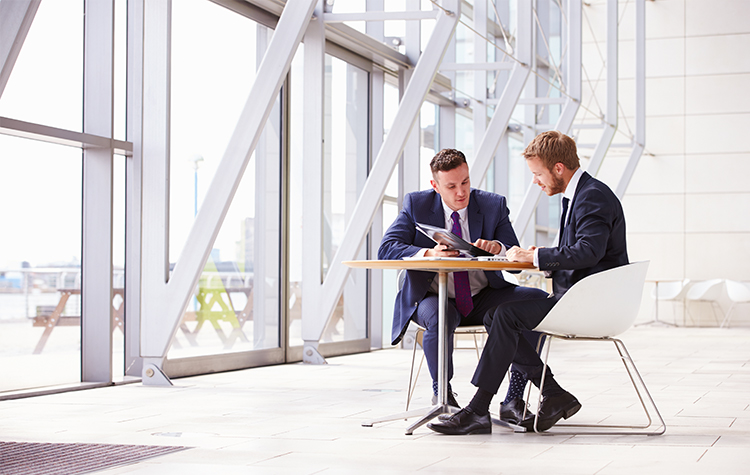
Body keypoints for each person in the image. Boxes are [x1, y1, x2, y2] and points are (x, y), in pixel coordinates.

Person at [428, 130, 629, 435]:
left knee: (505, 315)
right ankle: (550, 393)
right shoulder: (581, 195)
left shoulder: (592, 196)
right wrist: (537, 257)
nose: (536, 181)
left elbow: (589, 252)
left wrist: (536, 258)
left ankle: (479, 410)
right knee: (500, 315)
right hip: (586, 297)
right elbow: (582, 253)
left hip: (593, 303)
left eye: (538, 174)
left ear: (558, 168)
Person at [379, 148, 548, 424]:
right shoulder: (417, 204)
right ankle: (442, 394)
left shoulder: (492, 205)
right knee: (440, 317)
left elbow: (514, 256)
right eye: (452, 186)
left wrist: (499, 248)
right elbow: (387, 248)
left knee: (533, 302)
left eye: (465, 182)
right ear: (435, 186)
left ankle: (513, 398)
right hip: (434, 297)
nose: (461, 192)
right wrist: (429, 253)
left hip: (483, 296)